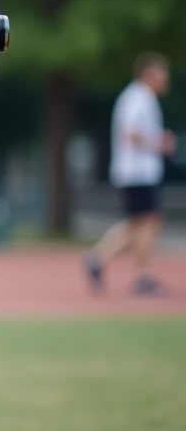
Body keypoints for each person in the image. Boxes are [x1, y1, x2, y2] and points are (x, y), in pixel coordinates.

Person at [83, 52, 174, 296]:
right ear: (148, 73)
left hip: (138, 171)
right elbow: (131, 132)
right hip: (137, 171)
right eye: (162, 72)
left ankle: (98, 258)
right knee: (147, 222)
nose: (165, 78)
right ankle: (140, 275)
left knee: (140, 223)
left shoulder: (141, 97)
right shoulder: (138, 97)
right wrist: (159, 142)